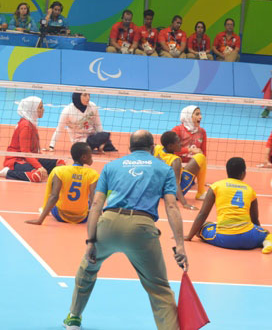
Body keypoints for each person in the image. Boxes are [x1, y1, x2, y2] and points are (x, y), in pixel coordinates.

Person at [62, 130, 187, 330]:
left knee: (87, 269)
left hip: (108, 224)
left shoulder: (111, 166)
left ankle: (74, 317)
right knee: (160, 290)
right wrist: (180, 245)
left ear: (130, 148)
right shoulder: (164, 168)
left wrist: (91, 242)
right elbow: (172, 206)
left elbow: (95, 205)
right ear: (152, 148)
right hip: (142, 229)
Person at [185, 157, 272, 253]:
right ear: (244, 173)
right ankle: (266, 243)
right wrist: (258, 233)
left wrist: (189, 236)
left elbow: (203, 214)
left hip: (224, 239)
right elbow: (255, 219)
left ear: (227, 171)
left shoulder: (216, 186)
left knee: (202, 228)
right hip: (248, 239)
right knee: (267, 234)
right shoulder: (250, 190)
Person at [0, 96, 64, 182]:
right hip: (16, 159)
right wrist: (39, 167)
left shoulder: (32, 122)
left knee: (60, 163)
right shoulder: (25, 126)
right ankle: (8, 172)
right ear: (31, 109)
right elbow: (25, 152)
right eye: (40, 107)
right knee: (37, 175)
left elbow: (32, 151)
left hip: (30, 158)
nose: (43, 109)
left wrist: (43, 160)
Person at [26, 142, 99, 225]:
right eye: (91, 155)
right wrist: (100, 222)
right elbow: (94, 200)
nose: (92, 157)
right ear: (84, 157)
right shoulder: (93, 174)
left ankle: (44, 209)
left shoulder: (59, 171)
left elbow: (54, 196)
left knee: (56, 196)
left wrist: (40, 220)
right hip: (82, 218)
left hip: (60, 215)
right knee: (90, 201)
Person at [153, 131, 198, 210]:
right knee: (200, 158)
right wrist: (185, 203)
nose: (181, 144)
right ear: (170, 146)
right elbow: (176, 183)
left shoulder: (156, 149)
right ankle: (201, 192)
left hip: (157, 191)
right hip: (171, 193)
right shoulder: (175, 160)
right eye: (178, 142)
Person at [171, 106, 209, 199]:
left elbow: (203, 153)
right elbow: (172, 151)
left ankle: (201, 192)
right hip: (176, 164)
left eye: (200, 114)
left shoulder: (202, 132)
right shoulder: (177, 130)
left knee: (202, 158)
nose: (200, 117)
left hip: (191, 166)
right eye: (197, 114)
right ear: (187, 116)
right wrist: (190, 150)